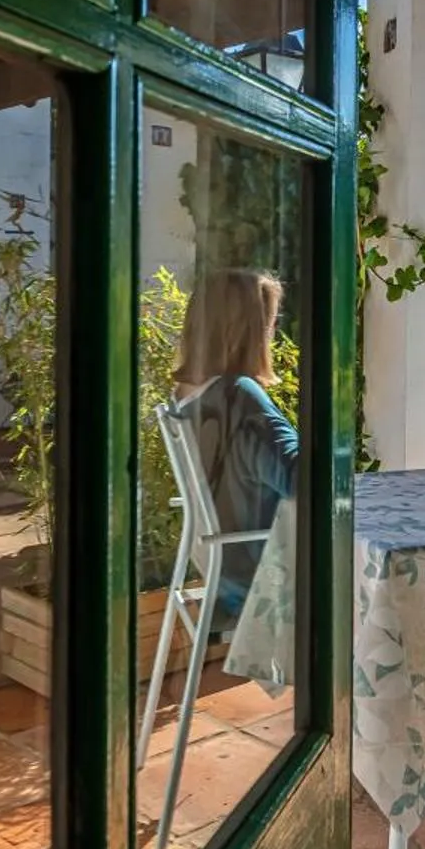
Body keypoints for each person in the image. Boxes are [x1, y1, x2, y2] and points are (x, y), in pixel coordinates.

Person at [172, 268, 299, 625]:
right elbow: (304, 478)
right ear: (251, 332)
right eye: (270, 324)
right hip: (260, 576)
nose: (273, 333)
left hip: (221, 567)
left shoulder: (187, 394)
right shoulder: (237, 396)